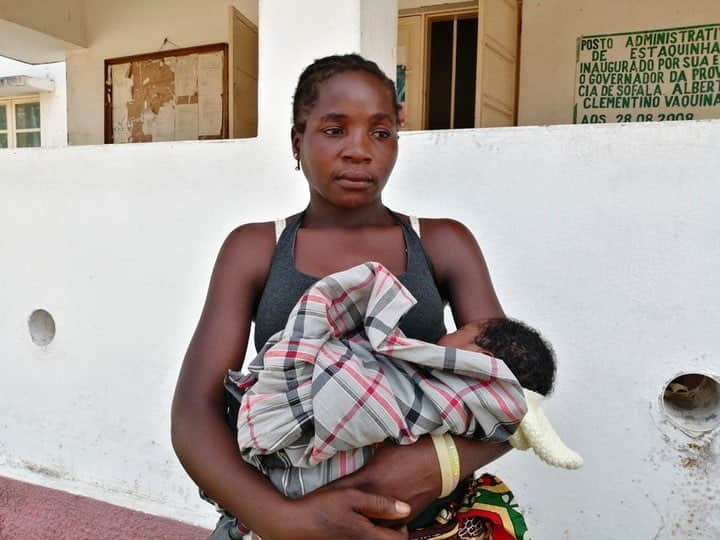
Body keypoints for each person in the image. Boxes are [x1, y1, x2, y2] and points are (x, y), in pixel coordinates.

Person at [171, 53, 519, 540]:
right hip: (283, 515)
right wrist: (287, 521)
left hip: (424, 521)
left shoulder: (444, 245)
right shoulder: (254, 250)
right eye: (335, 130)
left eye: (380, 133)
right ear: (298, 140)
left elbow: (516, 385)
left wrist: (434, 465)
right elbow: (194, 413)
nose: (360, 150)